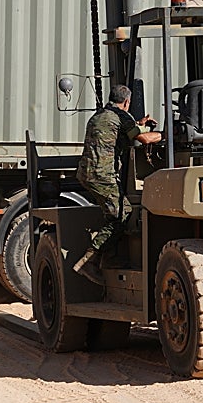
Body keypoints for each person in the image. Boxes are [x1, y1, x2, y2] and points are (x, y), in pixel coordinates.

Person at [73, 84, 162, 284]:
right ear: (127, 102)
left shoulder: (99, 115)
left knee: (112, 213)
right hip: (102, 176)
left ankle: (109, 258)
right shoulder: (122, 117)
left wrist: (139, 123)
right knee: (123, 214)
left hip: (86, 174)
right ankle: (89, 261)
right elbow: (145, 139)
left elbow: (121, 131)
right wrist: (167, 135)